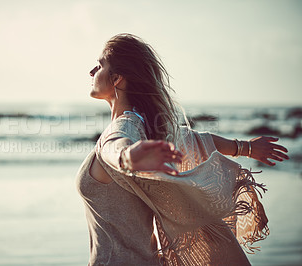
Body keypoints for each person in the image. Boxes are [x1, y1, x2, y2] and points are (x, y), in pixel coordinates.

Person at [76, 33, 288, 266]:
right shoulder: (148, 126)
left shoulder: (123, 128)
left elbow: (114, 147)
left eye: (99, 65)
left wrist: (129, 158)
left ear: (117, 78)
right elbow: (196, 139)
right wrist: (246, 148)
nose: (91, 72)